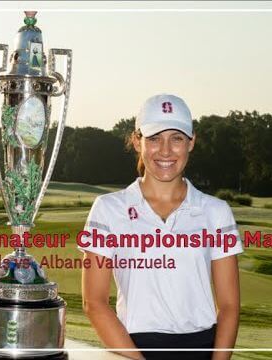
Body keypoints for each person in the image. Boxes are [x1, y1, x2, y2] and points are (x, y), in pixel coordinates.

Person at [80, 94, 242, 360]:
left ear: (191, 143)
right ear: (136, 141)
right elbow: (94, 303)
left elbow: (229, 306)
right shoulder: (107, 209)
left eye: (176, 138)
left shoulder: (216, 212)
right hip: (132, 350)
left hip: (202, 349)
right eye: (154, 138)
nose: (165, 151)